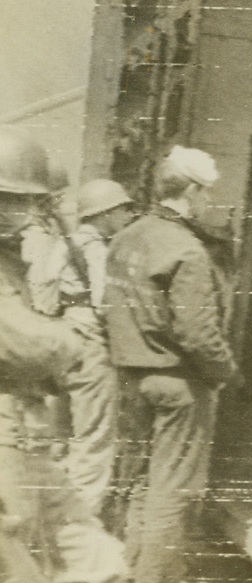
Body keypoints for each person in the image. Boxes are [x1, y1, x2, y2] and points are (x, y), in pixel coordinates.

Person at [0, 128, 126, 583]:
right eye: (16, 201)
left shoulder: (15, 255)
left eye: (30, 202)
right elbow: (21, 341)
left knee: (97, 567)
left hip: (27, 434)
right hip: (7, 439)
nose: (27, 214)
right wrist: (70, 336)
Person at [106, 146, 238, 583]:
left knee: (140, 477)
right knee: (172, 485)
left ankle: (132, 569)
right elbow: (198, 334)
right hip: (177, 383)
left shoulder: (124, 239)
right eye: (207, 193)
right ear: (194, 192)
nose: (208, 202)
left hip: (129, 378)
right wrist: (225, 372)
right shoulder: (188, 250)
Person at [57, 179, 135, 517]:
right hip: (93, 347)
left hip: (63, 341)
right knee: (95, 443)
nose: (126, 216)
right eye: (122, 210)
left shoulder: (64, 243)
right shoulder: (98, 250)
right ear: (105, 214)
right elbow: (107, 304)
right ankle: (80, 528)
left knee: (63, 439)